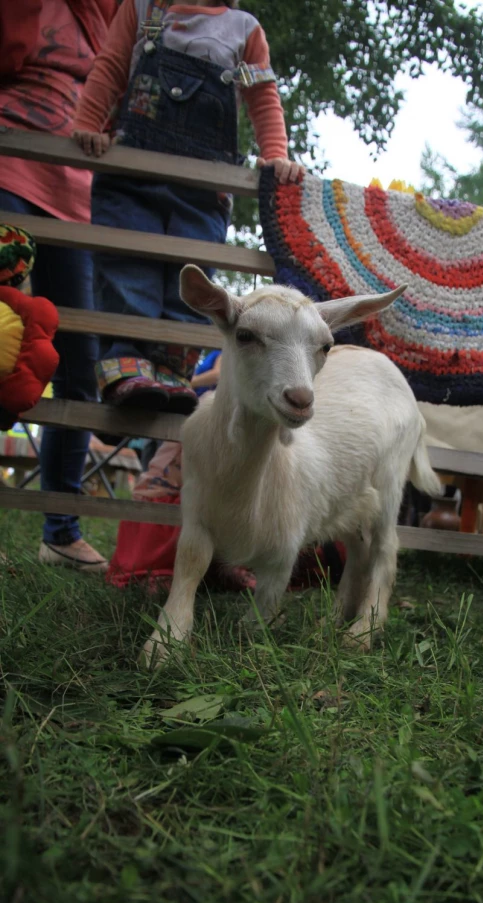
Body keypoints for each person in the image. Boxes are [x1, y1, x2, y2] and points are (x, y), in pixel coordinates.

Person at [72, 0, 304, 414]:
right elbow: (109, 68)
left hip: (202, 188)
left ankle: (171, 372)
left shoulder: (243, 30)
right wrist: (89, 124)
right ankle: (127, 365)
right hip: (132, 177)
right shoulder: (141, 10)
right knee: (128, 268)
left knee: (191, 281)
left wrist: (274, 153)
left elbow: (263, 96)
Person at [0, 0, 118, 572]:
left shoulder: (122, 19)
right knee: (0, 342)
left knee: (78, 363)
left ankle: (60, 531)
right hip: (10, 166)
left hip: (76, 198)